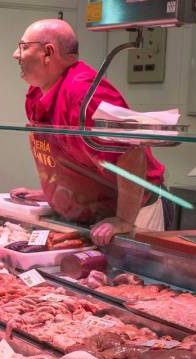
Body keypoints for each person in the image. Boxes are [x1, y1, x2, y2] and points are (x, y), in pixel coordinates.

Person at [10, 19, 167, 245]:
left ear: (48, 52)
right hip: (92, 214)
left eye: (24, 46)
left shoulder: (84, 95)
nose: (16, 54)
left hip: (132, 213)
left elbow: (131, 152)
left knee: (124, 279)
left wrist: (123, 219)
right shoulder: (38, 93)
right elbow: (69, 154)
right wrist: (54, 193)